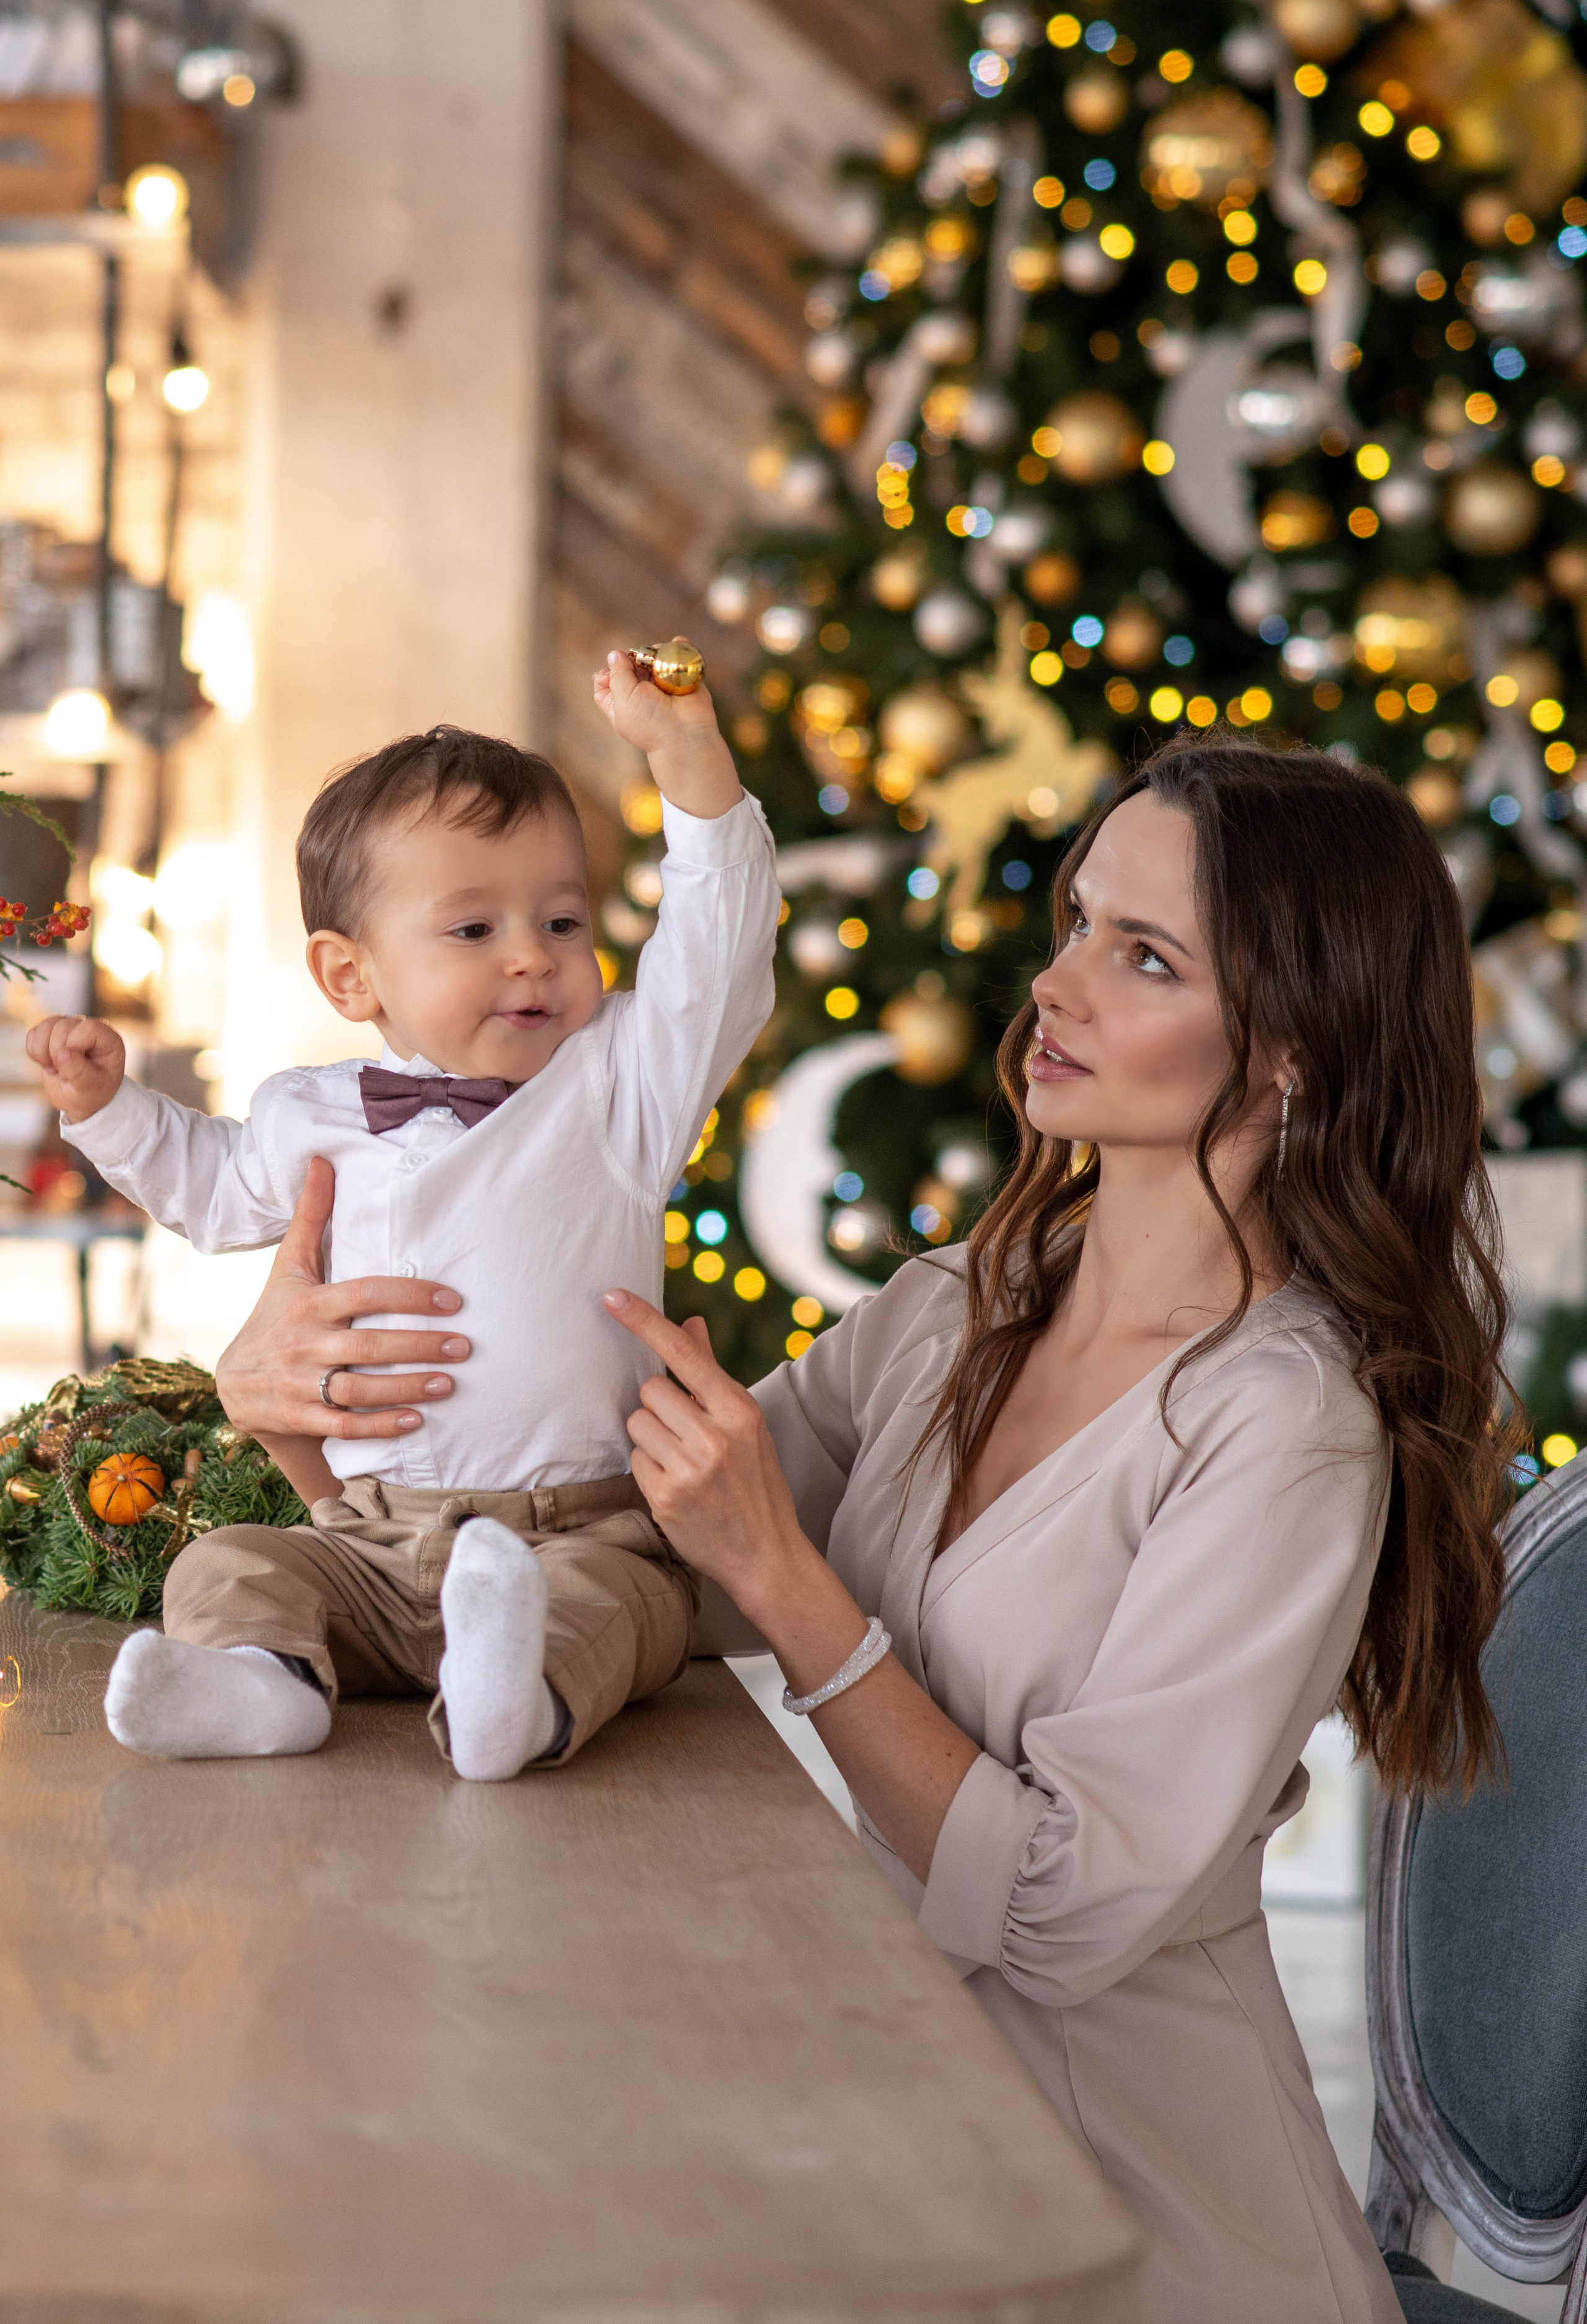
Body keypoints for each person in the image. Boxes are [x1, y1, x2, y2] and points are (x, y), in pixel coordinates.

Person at [211, 737, 1511, 2324]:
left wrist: (783, 1577)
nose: (1055, 985)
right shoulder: (962, 1303)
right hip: (890, 2138)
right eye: (1078, 921)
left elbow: (1060, 1912)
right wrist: (303, 1435)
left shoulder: (1284, 1425)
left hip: (1132, 2230)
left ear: (1294, 1049)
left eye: (1144, 957)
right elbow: (629, 1564)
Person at [27, 656, 779, 1781]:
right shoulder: (311, 1112)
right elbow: (214, 1190)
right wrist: (108, 1108)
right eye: (474, 930)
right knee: (227, 1564)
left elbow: (719, 951)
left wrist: (685, 755)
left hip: (579, 1536)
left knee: (624, 1608)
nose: (533, 955)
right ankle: (264, 1686)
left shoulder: (621, 1088)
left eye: (563, 920)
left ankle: (513, 1703)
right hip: (370, 1543)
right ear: (350, 977)